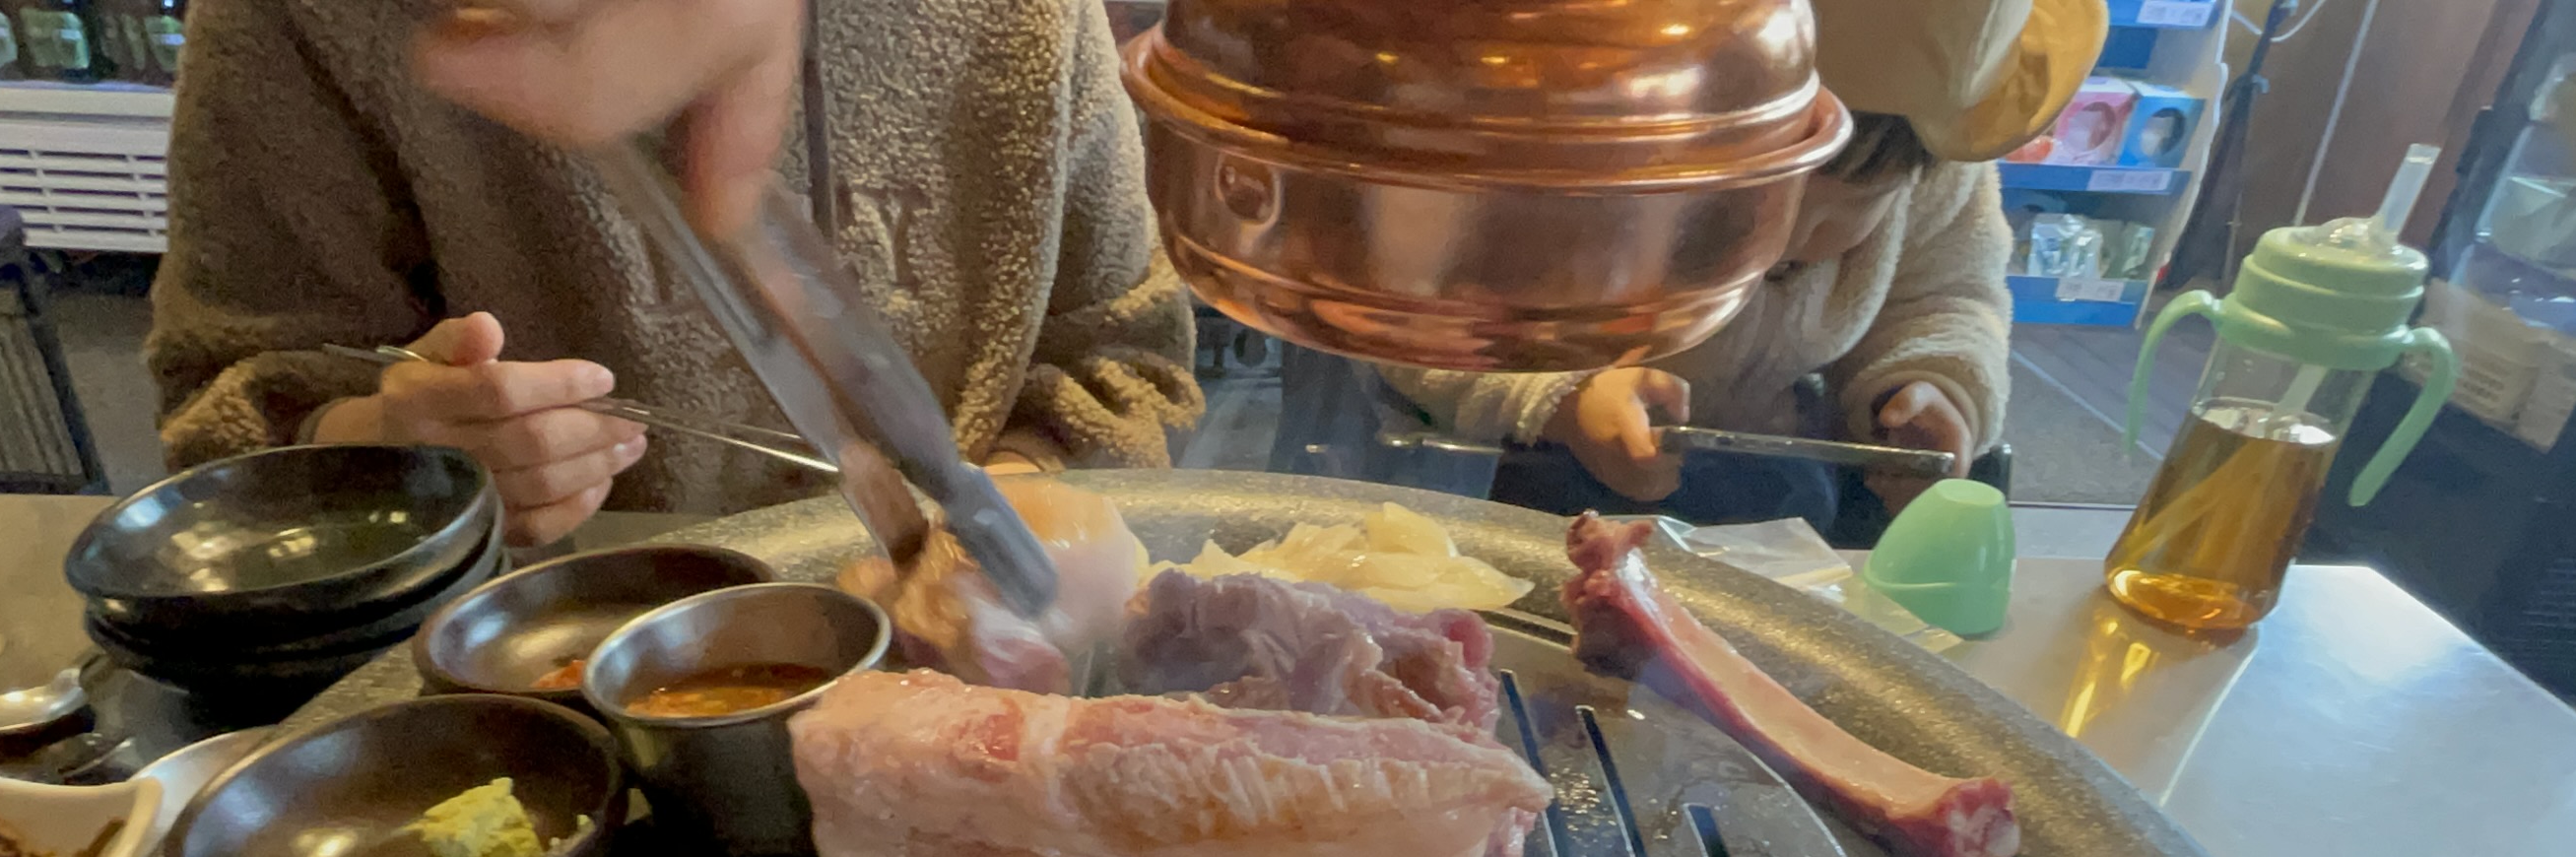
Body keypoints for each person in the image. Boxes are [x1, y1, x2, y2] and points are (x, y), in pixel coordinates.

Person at [147, 0, 1203, 542]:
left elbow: (1125, 361)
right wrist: (392, 463)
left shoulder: (1028, 22)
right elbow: (227, 412)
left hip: (959, 685)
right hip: (551, 691)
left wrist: (1006, 517)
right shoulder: (300, 28)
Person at [1377, 0, 2100, 534]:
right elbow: (1420, 308)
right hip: (1500, 484)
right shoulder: (1562, 137)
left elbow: (1944, 295)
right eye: (1740, 202)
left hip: (1760, 497)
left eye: (1844, 211)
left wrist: (1932, 385)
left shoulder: (1930, 157)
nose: (1781, 241)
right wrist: (1562, 398)